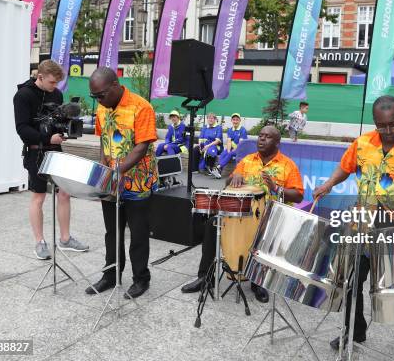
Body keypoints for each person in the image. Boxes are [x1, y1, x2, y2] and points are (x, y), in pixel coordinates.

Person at [314, 95, 394, 361]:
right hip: (362, 228)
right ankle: (355, 330)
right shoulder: (362, 144)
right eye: (382, 126)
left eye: (393, 124)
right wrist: (328, 185)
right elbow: (345, 167)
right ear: (375, 123)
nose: (388, 131)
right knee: (352, 282)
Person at [181, 125, 304, 303]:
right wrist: (234, 177)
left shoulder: (287, 165)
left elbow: (299, 195)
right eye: (260, 135)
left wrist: (275, 188)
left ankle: (258, 282)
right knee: (211, 224)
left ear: (277, 143)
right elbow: (228, 181)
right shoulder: (247, 160)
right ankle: (205, 278)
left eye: (267, 137)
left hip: (269, 217)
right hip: (239, 215)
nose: (261, 139)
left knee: (265, 232)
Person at [85, 67, 159, 299]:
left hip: (137, 182)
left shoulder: (141, 107)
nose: (98, 100)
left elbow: (142, 146)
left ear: (115, 86)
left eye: (101, 95)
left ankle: (141, 279)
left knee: (138, 233)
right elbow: (104, 142)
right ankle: (111, 275)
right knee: (112, 232)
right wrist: (103, 172)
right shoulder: (102, 107)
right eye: (94, 96)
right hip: (111, 181)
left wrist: (117, 171)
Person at [13, 60, 88, 260]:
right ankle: (40, 242)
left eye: (57, 83)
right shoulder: (23, 95)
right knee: (39, 196)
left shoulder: (57, 94)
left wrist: (64, 130)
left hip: (55, 148)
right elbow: (22, 129)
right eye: (52, 82)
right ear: (40, 77)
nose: (55, 87)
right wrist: (46, 138)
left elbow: (57, 122)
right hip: (35, 150)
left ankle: (65, 239)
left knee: (64, 192)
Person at [213, 113, 248, 179]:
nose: (235, 121)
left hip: (241, 150)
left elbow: (241, 144)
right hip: (232, 149)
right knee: (223, 153)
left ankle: (218, 168)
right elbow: (229, 141)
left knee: (230, 154)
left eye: (237, 120)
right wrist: (228, 150)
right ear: (231, 120)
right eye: (234, 120)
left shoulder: (242, 130)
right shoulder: (230, 130)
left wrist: (232, 151)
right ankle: (219, 170)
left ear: (240, 121)